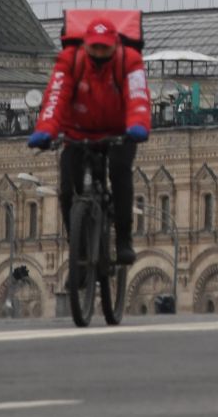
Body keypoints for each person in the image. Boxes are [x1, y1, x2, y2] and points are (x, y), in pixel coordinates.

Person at [28, 17, 150, 264]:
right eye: (95, 47)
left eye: (105, 47)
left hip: (119, 133)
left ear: (115, 45)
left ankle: (124, 239)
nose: (99, 52)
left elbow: (137, 96)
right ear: (85, 45)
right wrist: (45, 130)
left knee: (119, 171)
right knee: (66, 188)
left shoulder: (129, 61)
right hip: (78, 133)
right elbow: (55, 97)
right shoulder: (70, 61)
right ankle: (78, 252)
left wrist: (138, 125)